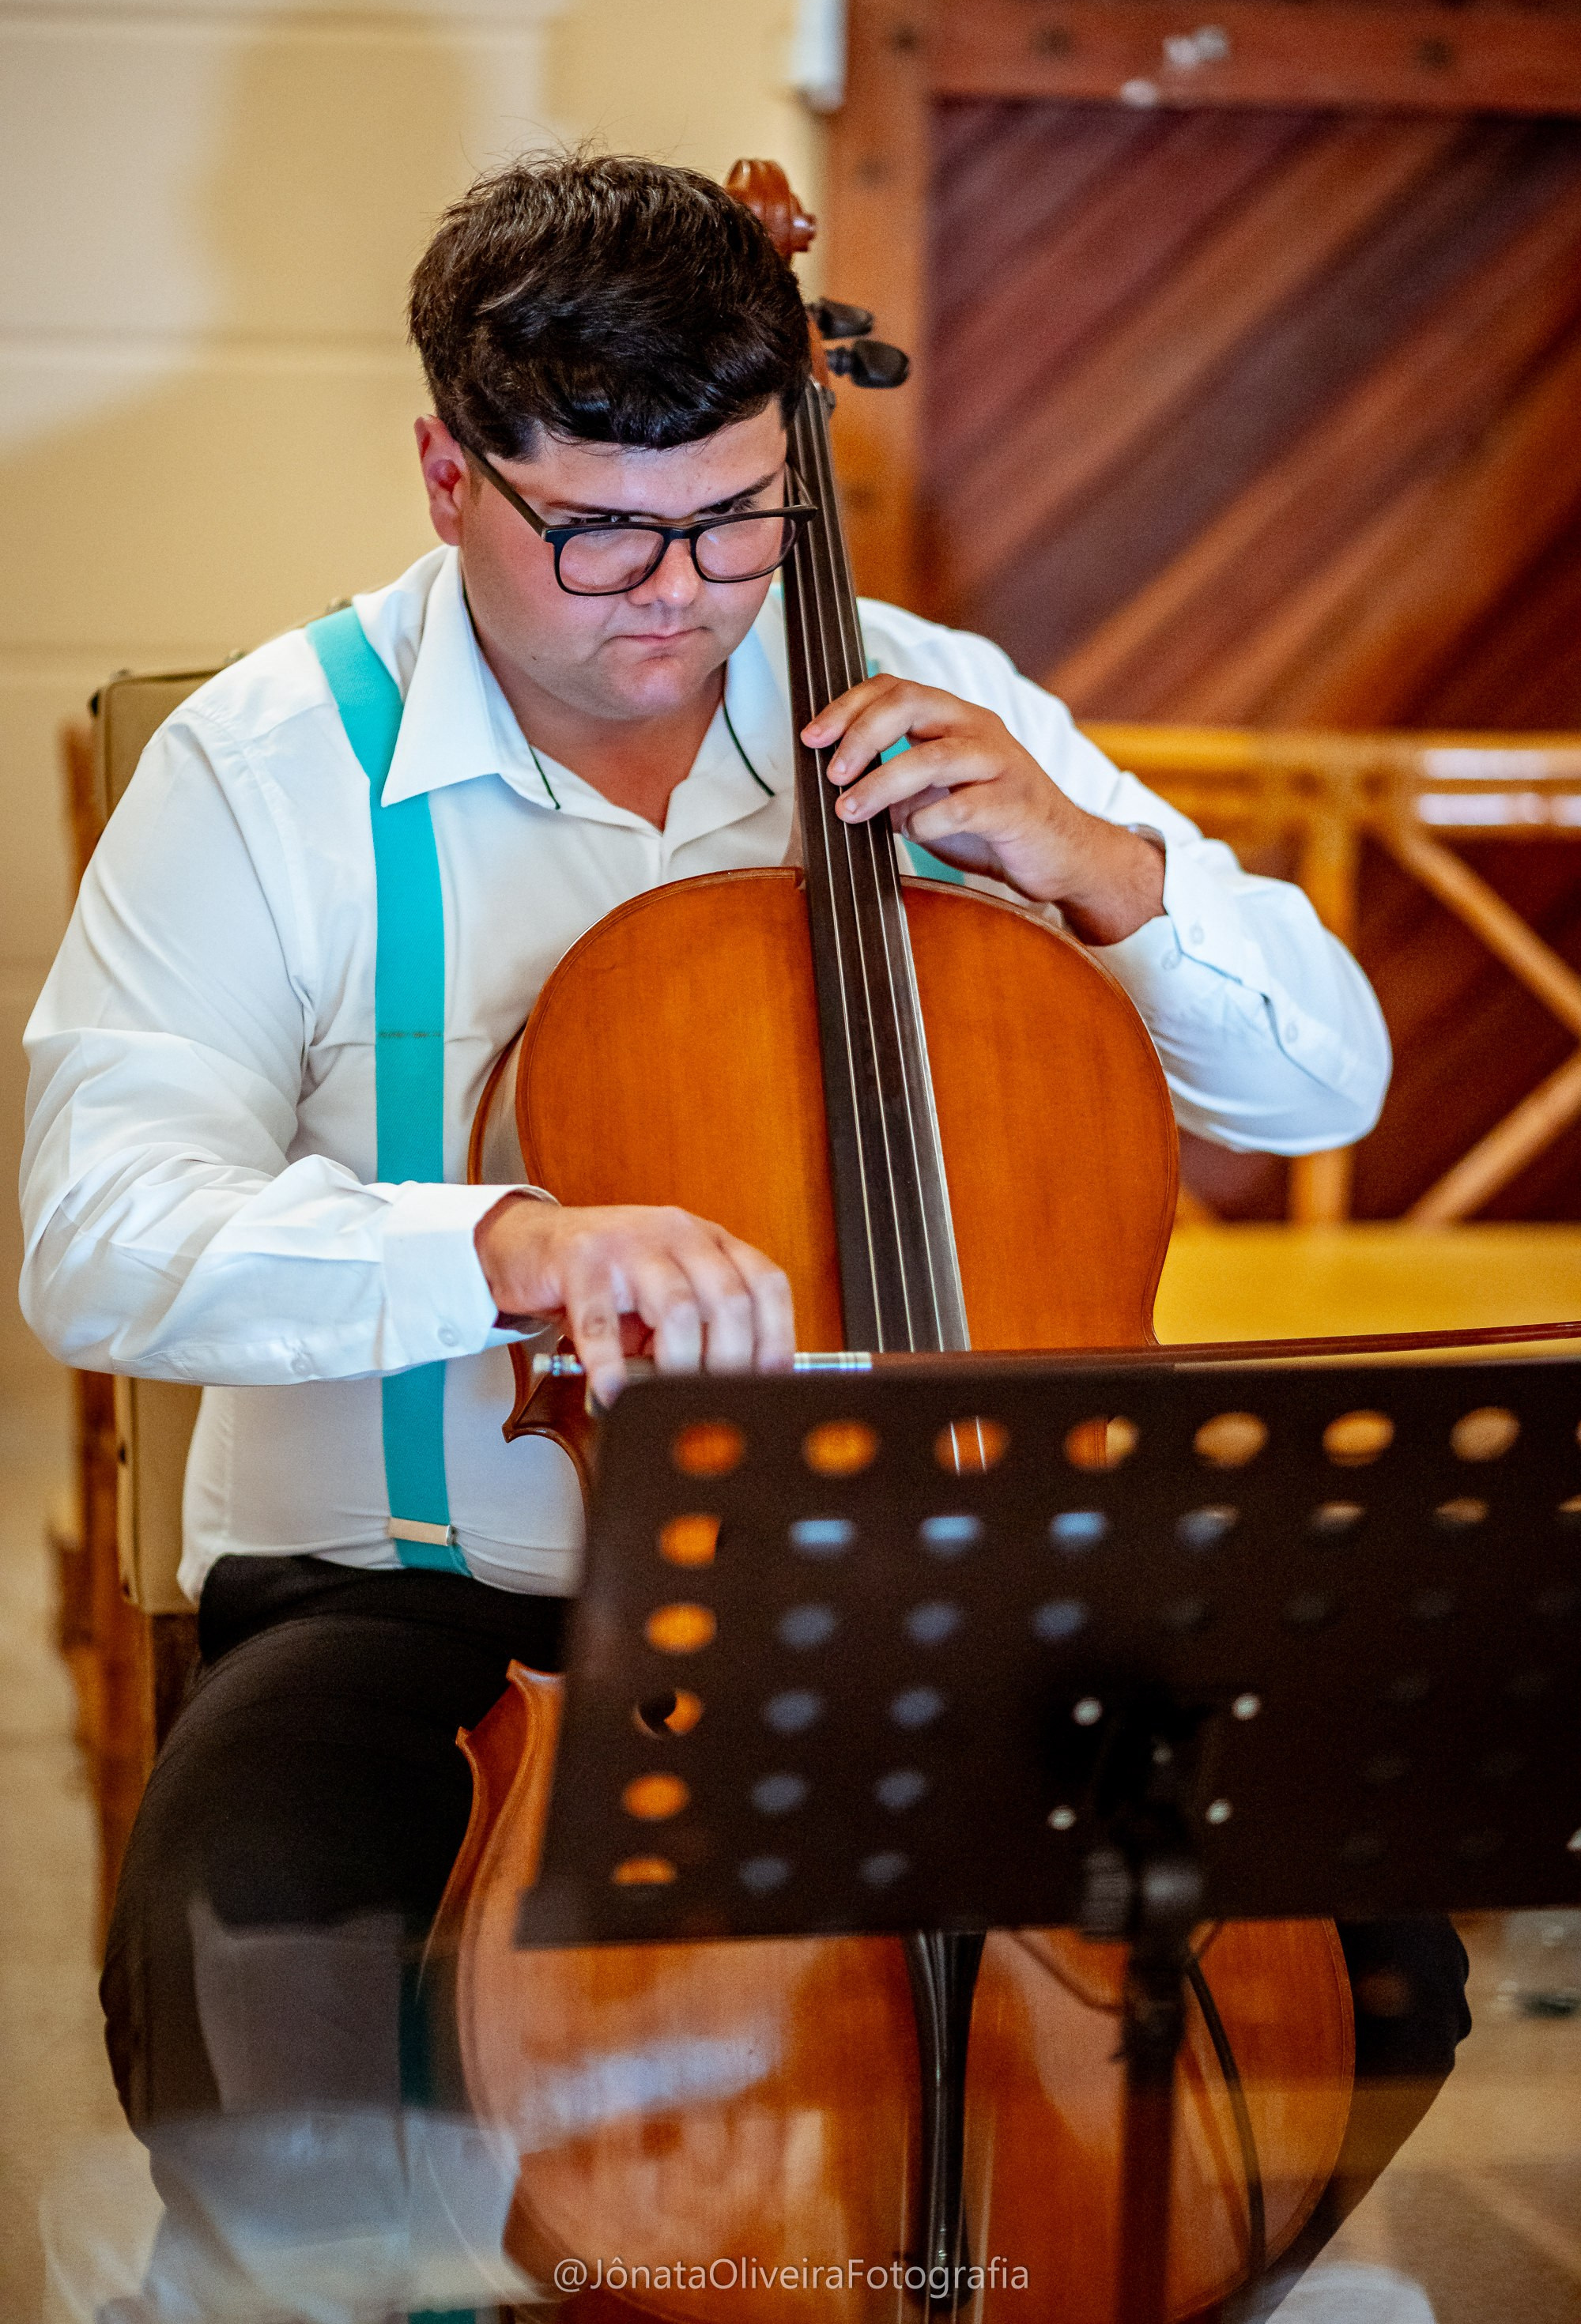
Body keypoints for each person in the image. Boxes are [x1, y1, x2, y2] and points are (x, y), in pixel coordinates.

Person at [21, 153, 1461, 2311]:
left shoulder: (914, 686)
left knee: (1376, 1955)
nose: (680, 594)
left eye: (734, 516)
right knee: (265, 2002)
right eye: (601, 527)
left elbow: (1322, 1083)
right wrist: (502, 1241)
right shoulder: (261, 771)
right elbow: (92, 1233)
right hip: (437, 1610)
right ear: (446, 472)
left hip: (943, 1597)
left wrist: (1095, 867)